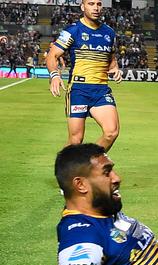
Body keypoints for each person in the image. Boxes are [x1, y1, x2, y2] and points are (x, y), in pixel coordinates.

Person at [46, 0, 122, 152]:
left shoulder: (109, 33)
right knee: (75, 140)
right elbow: (52, 55)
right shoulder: (73, 31)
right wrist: (55, 75)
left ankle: (88, 163)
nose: (96, 8)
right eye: (91, 3)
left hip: (101, 90)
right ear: (83, 7)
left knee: (111, 132)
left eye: (99, 4)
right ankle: (64, 168)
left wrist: (115, 68)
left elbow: (111, 57)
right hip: (78, 90)